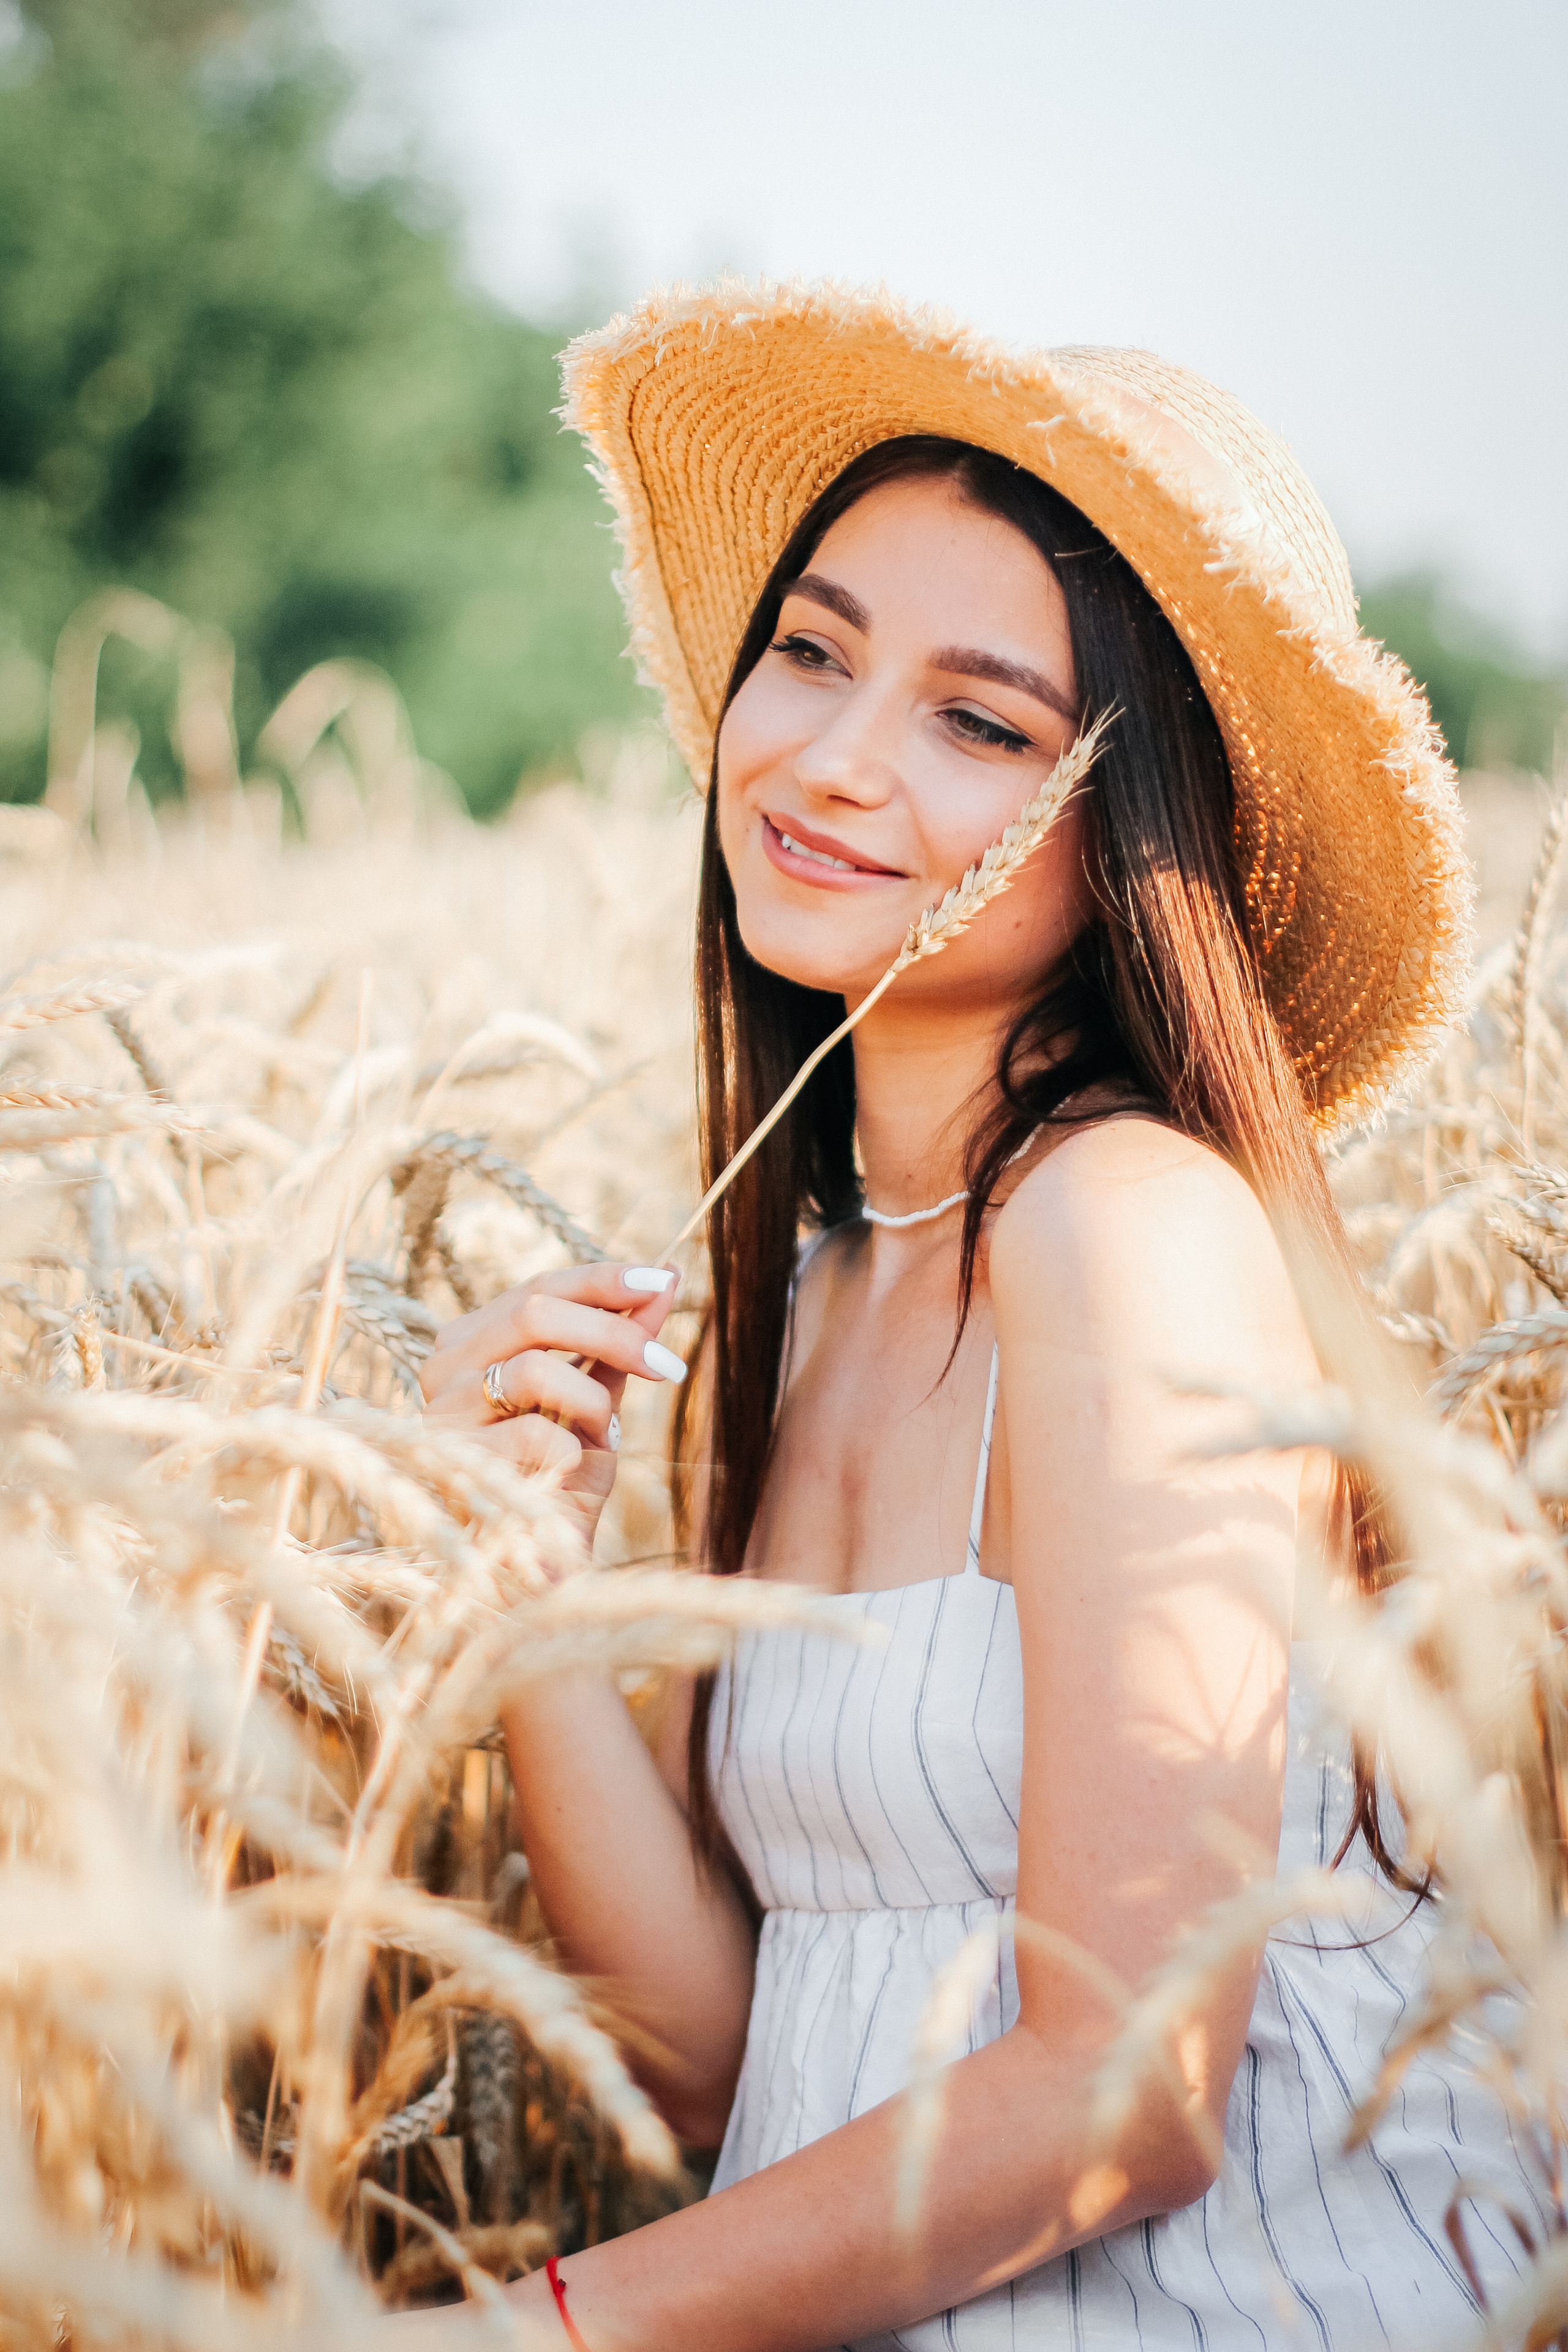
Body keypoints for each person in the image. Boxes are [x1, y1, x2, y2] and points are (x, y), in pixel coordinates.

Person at [416, 285, 1545, 2349]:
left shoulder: (1122, 1228)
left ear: (1131, 825)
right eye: (812, 652)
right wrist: (529, 1602)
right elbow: (713, 2073)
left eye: (979, 721)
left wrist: (506, 2335)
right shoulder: (816, 1274)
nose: (830, 760)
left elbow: (1129, 2102)